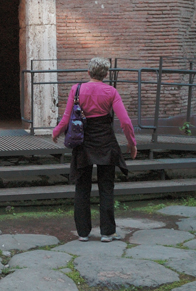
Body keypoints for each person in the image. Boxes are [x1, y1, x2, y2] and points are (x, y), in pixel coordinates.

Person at [52, 57, 137, 242]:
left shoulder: (77, 89)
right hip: (106, 143)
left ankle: (83, 232)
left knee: (82, 187)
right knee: (106, 187)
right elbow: (125, 122)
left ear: (89, 72)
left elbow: (66, 118)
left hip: (83, 143)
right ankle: (107, 232)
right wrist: (132, 143)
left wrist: (56, 132)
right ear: (106, 74)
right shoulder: (111, 91)